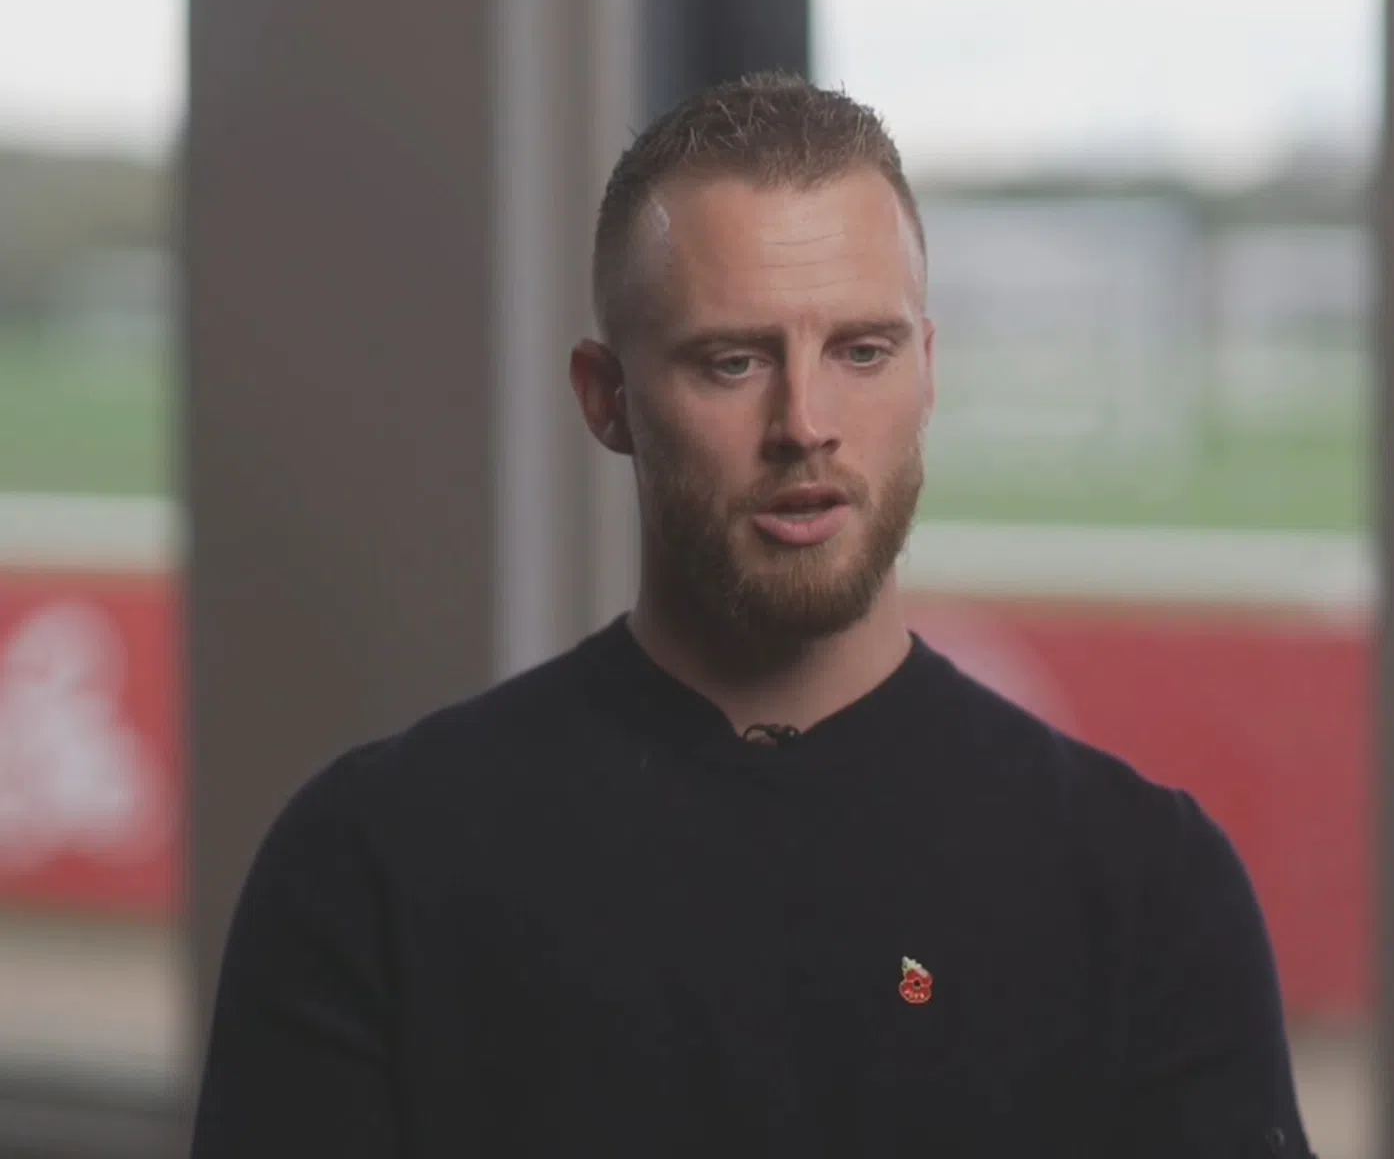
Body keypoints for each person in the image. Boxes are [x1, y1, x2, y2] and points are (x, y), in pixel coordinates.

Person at [190, 72, 1315, 1158]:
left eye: (861, 351)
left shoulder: (1145, 887)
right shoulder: (372, 863)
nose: (806, 423)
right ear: (607, 399)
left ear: (927, 373)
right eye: (733, 362)